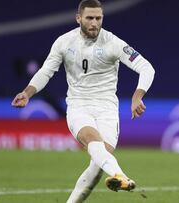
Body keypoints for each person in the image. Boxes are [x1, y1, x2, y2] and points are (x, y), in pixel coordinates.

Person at [11, 0, 155, 202]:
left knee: (97, 167)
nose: (94, 23)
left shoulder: (113, 43)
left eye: (98, 18)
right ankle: (120, 175)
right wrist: (28, 92)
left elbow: (146, 67)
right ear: (78, 18)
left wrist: (137, 95)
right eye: (89, 18)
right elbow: (45, 71)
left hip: (107, 109)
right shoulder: (64, 42)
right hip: (79, 106)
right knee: (93, 140)